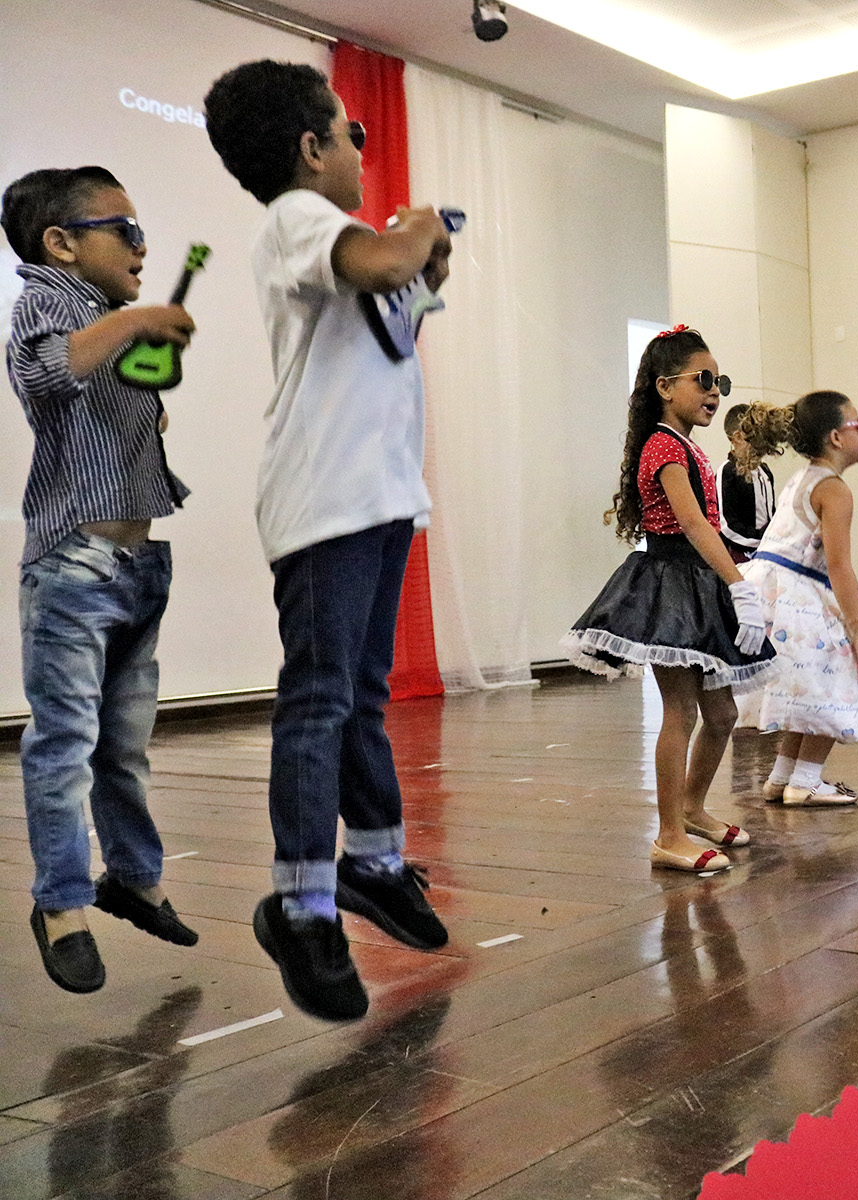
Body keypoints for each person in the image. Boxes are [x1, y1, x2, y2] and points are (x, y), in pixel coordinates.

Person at [205, 61, 455, 1022]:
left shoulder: (333, 240)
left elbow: (398, 314)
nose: (361, 149)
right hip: (321, 504)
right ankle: (302, 903)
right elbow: (389, 262)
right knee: (319, 700)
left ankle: (374, 863)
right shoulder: (296, 219)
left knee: (362, 698)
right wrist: (421, 227)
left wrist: (426, 268)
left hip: (377, 499)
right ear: (311, 149)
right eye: (354, 134)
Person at [3, 166, 199, 994]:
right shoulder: (46, 299)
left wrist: (151, 372)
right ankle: (59, 905)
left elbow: (132, 407)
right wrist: (143, 321)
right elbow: (47, 373)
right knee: (64, 746)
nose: (142, 247)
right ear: (61, 242)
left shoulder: (106, 319)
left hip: (136, 566)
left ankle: (135, 878)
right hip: (74, 565)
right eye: (125, 230)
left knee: (123, 744)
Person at [563, 326, 775, 870]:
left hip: (698, 583)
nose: (714, 391)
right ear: (664, 386)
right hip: (672, 586)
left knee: (722, 713)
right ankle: (667, 835)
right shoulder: (663, 445)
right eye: (703, 379)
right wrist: (739, 585)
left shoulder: (688, 446)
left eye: (720, 382)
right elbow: (695, 524)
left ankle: (692, 807)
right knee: (680, 711)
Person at [735, 392, 858, 805]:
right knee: (838, 674)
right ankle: (806, 781)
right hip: (796, 596)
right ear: (835, 437)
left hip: (772, 590)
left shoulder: (803, 478)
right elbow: (839, 566)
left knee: (805, 684)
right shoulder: (833, 489)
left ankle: (783, 777)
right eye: (857, 423)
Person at [716, 402, 775, 564]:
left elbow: (770, 513)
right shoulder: (727, 471)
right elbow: (726, 525)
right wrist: (760, 540)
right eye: (756, 435)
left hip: (766, 551)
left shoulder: (764, 471)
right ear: (738, 437)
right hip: (740, 554)